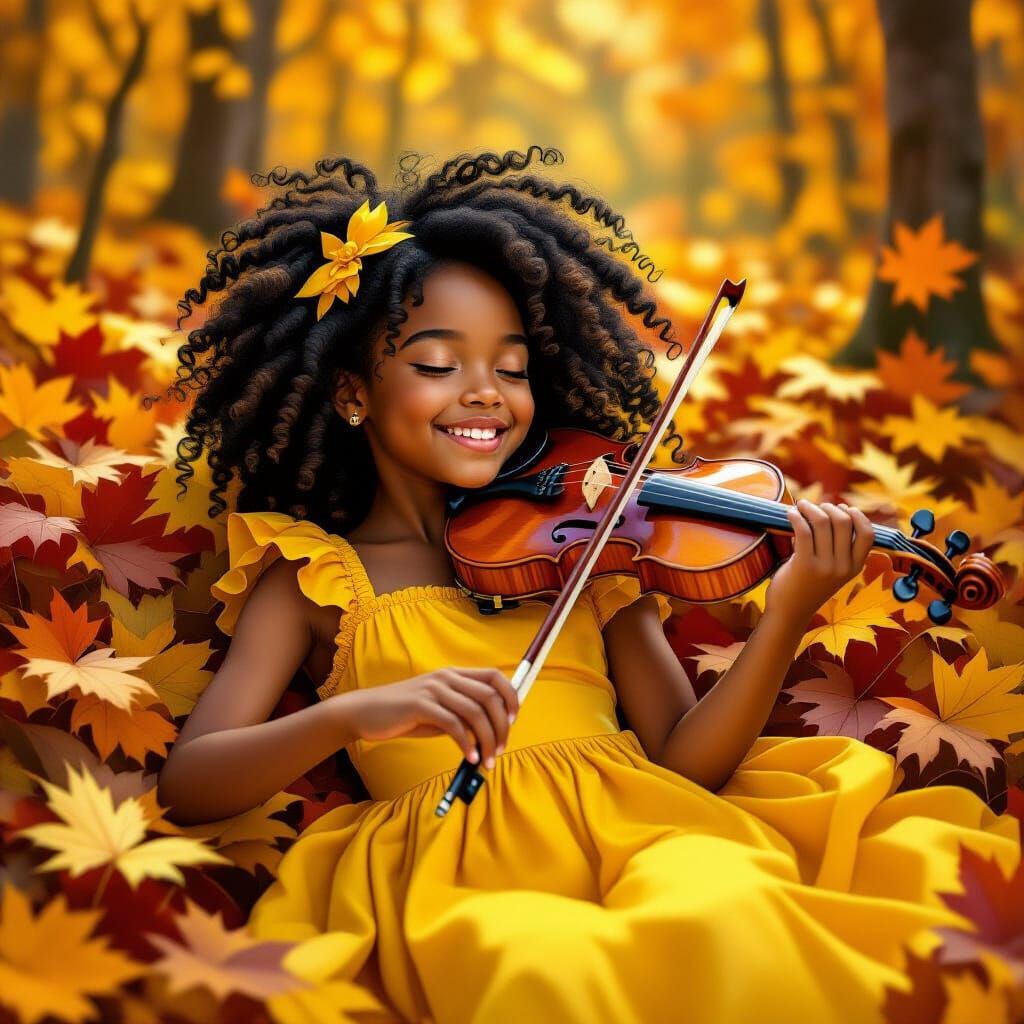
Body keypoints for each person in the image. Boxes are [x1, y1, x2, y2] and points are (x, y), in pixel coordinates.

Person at [155, 147, 1021, 1024]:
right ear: (351, 393)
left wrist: (791, 608)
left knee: (722, 906)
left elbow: (687, 757)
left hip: (648, 832)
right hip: (463, 875)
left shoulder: (588, 546)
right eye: (438, 364)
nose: (487, 393)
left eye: (513, 365)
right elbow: (193, 782)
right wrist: (353, 714)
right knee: (548, 971)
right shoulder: (314, 576)